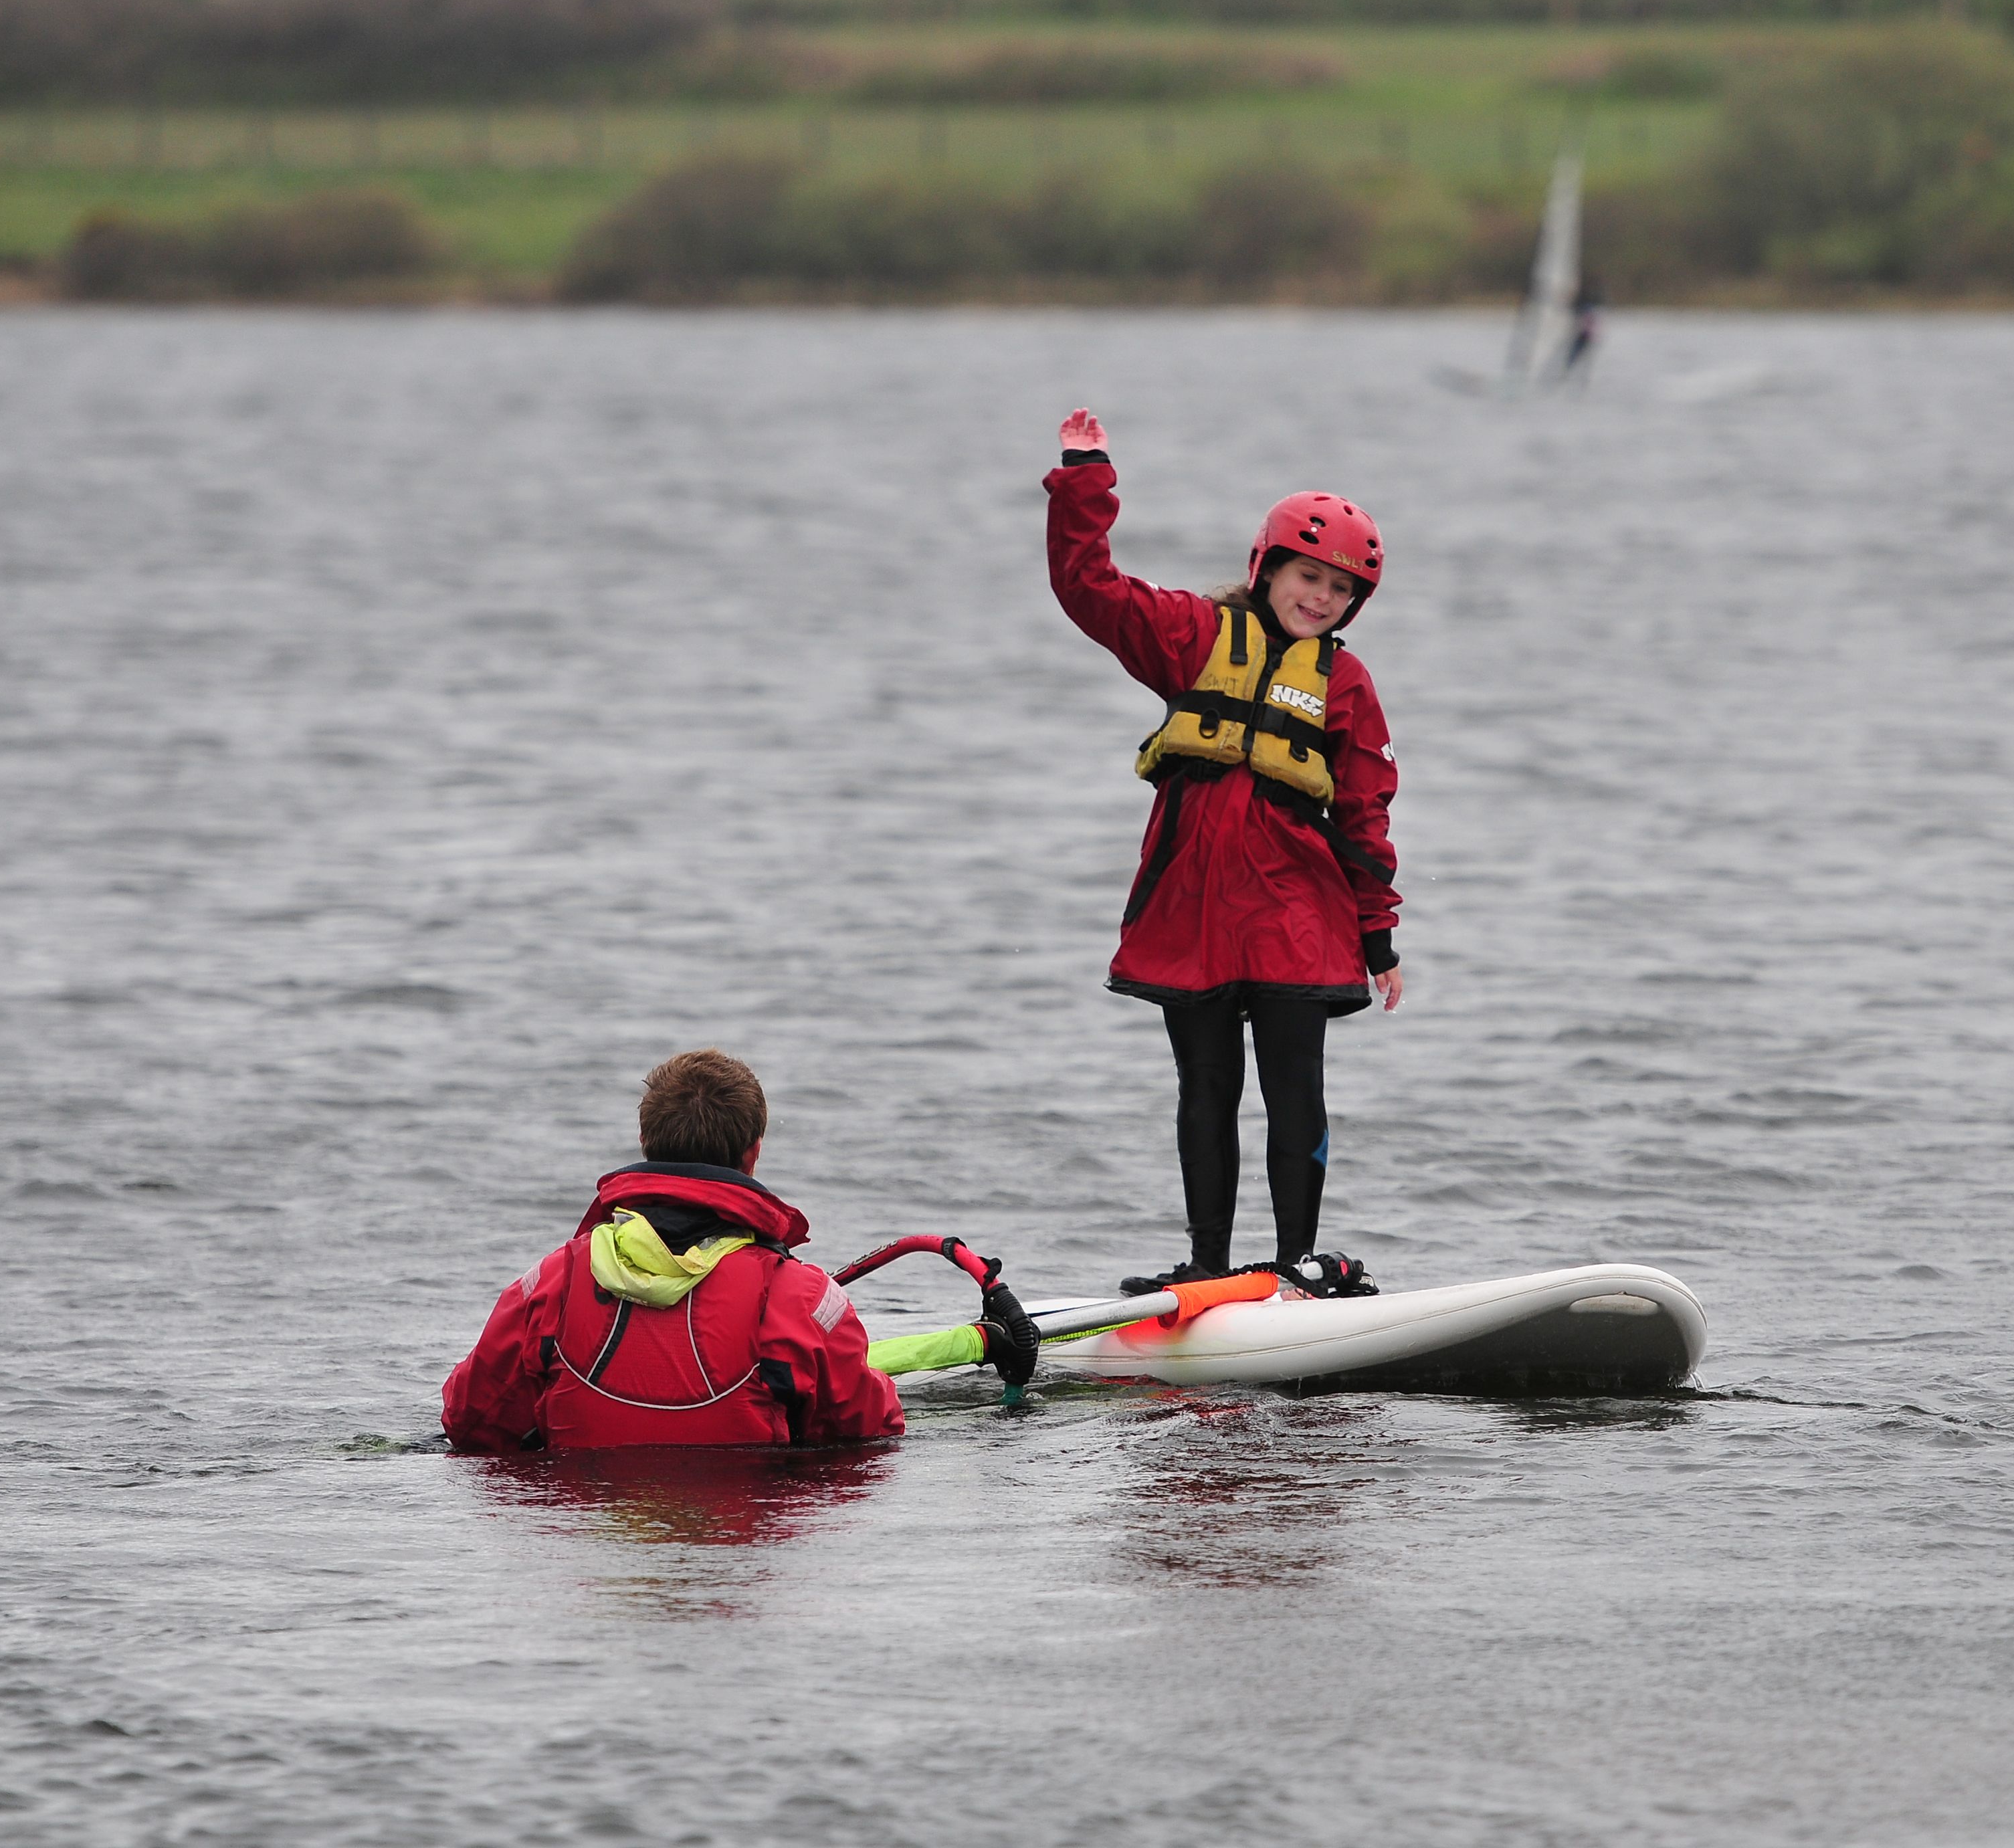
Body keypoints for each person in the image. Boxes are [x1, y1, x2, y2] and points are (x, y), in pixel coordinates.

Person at [1044, 408, 1400, 1298]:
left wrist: (1380, 938)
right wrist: (1086, 479)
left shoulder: (1346, 684)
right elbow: (1087, 586)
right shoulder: (1193, 635)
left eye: (1339, 590)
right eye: (1307, 576)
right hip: (1192, 913)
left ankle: (1297, 1268)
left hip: (1296, 920)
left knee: (1294, 1095)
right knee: (1205, 1088)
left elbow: (1365, 816)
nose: (1320, 598)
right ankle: (1206, 1265)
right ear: (1268, 567)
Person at [442, 1049, 1033, 1452]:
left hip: (591, 1543)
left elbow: (470, 1423)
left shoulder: (552, 1281)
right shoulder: (800, 1297)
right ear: (753, 1154)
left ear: (647, 1144)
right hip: (739, 1532)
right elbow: (870, 1431)